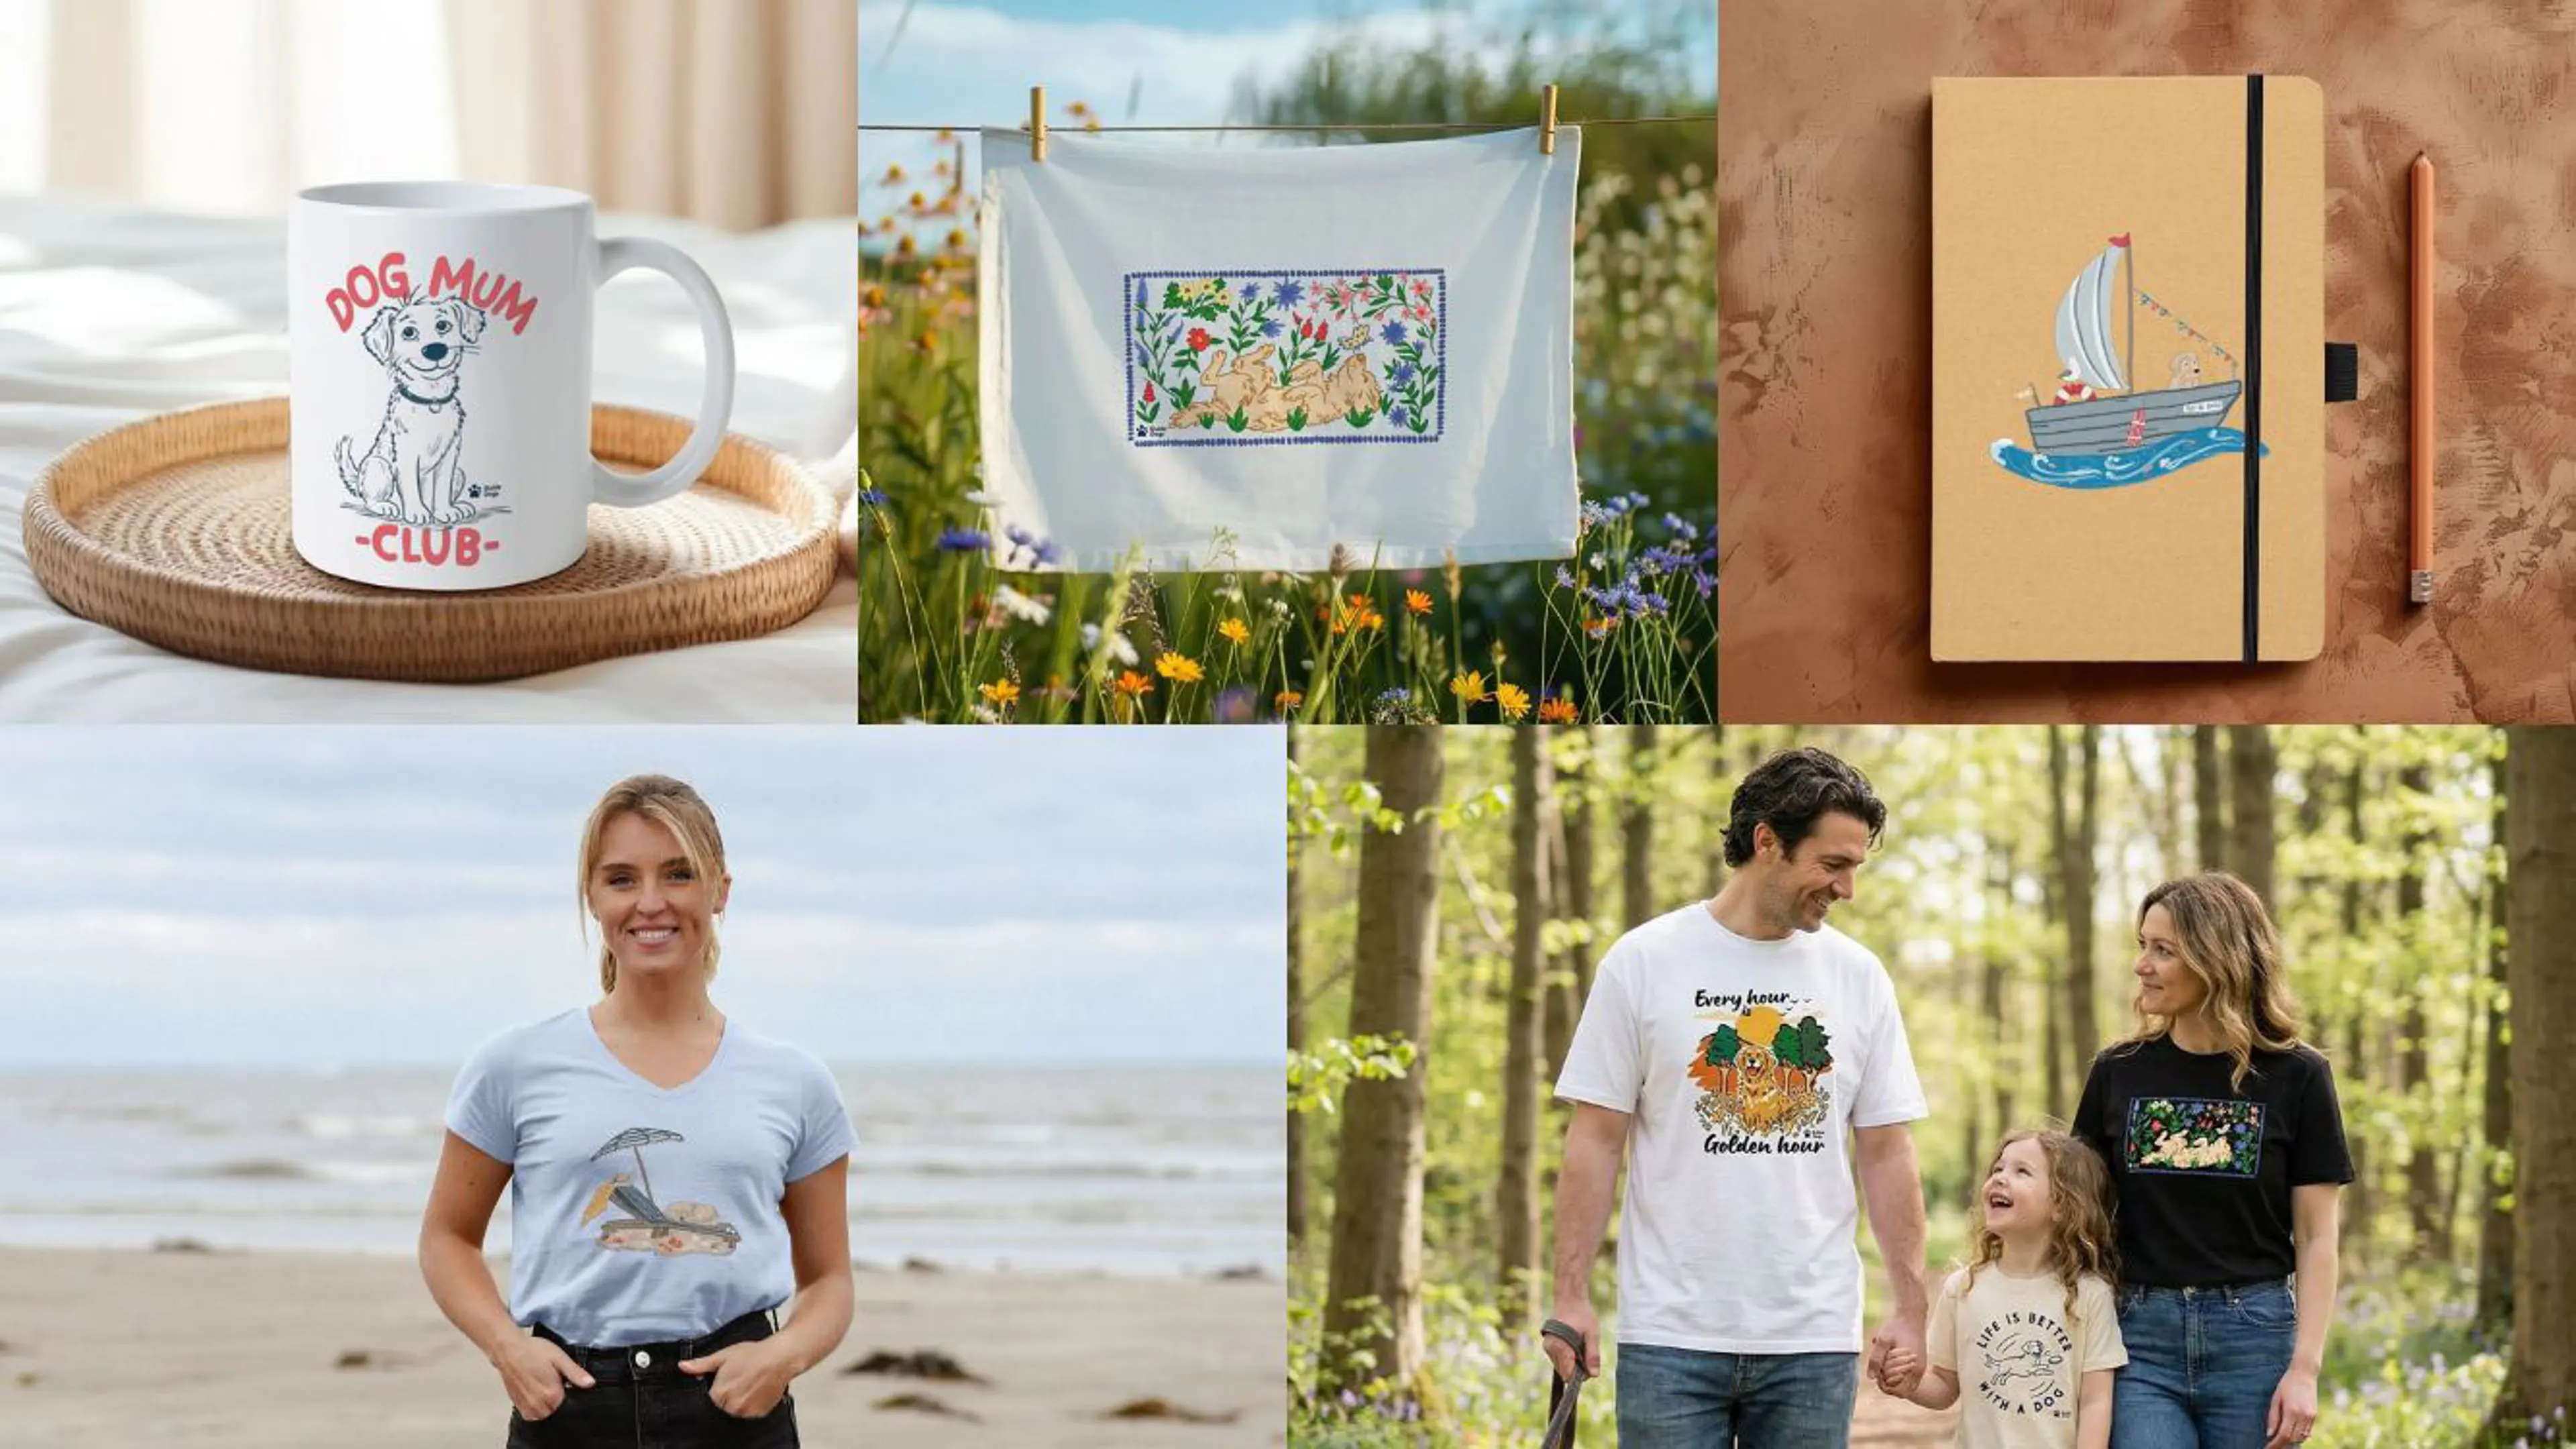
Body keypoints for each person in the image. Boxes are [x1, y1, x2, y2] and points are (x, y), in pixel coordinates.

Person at [420, 774, 856, 1448]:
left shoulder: (795, 1083)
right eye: (622, 879)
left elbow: (829, 1281)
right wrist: (508, 1348)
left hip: (735, 1412)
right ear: (592, 897)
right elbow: (447, 1239)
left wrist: (783, 1356)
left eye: (678, 875)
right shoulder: (514, 1066)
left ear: (720, 890)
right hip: (568, 1410)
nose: (650, 904)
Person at [1543, 747, 1931, 1448]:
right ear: (1767, 843)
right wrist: (1572, 1296)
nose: (1847, 889)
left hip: (1813, 1336)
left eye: (1856, 868)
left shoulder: (1858, 977)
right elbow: (1595, 1139)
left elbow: (1887, 1151)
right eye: (1833, 865)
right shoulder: (1643, 962)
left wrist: (1912, 1307)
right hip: (1671, 1333)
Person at [2075, 873, 2351, 1449]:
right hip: (2139, 1337)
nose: (2142, 965)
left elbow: (2317, 1236)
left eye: (2163, 950)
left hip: (2255, 1336)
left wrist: (2305, 1370)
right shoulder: (2118, 1071)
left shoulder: (2298, 1076)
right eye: (2142, 945)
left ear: (2217, 959)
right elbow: (2080, 1216)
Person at [1888, 1130, 2126, 1449]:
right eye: (1998, 1169)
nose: (2000, 1178)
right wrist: (1910, 1385)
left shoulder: (2090, 1295)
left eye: (2022, 1171)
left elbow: (2096, 1401)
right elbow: (1944, 1386)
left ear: (2061, 1206)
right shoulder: (1963, 1288)